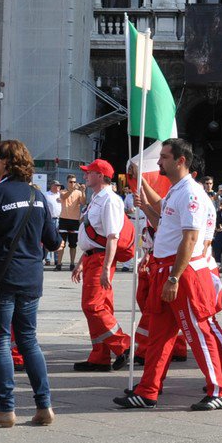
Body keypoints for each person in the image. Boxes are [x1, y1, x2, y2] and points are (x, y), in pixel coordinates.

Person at [120, 137, 222, 411]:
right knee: (159, 335)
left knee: (198, 332)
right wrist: (145, 206)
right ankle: (148, 391)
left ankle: (219, 390)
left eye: (164, 157)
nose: (158, 162)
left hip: (182, 273)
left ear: (181, 160)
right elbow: (165, 225)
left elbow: (190, 239)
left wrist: (173, 278)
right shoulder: (176, 191)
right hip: (166, 269)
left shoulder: (191, 193)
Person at [0, 139, 61, 427]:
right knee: (29, 341)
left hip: (1, 279)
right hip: (31, 277)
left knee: (0, 343)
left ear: (6, 162)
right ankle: (44, 406)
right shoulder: (37, 196)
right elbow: (54, 241)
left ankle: (5, 410)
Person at [71, 159, 132, 372]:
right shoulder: (97, 198)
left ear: (100, 175)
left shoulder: (110, 200)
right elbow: (91, 235)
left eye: (89, 172)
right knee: (100, 307)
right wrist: (80, 261)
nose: (85, 175)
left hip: (100, 259)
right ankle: (100, 356)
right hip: (91, 257)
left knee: (92, 306)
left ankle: (123, 344)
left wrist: (106, 267)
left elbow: (112, 236)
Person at [55, 177, 84, 271]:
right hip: (64, 220)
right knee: (61, 244)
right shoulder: (63, 191)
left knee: (73, 244)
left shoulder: (78, 192)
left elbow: (83, 202)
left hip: (74, 221)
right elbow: (64, 197)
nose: (73, 183)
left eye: (74, 182)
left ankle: (72, 263)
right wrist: (72, 189)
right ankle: (59, 264)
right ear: (67, 182)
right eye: (71, 182)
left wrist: (83, 191)